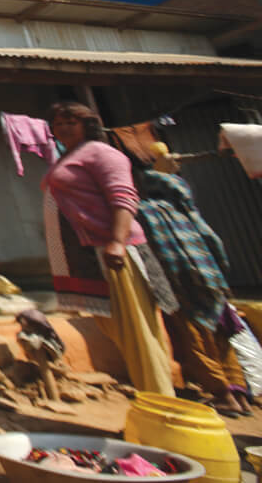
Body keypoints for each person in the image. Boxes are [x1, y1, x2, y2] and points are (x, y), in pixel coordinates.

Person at [41, 101, 175, 396]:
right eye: (58, 123)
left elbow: (123, 197)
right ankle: (149, 395)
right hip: (89, 253)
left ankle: (162, 401)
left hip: (113, 252)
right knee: (115, 328)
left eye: (70, 123)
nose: (62, 128)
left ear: (86, 125)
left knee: (137, 331)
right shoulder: (70, 156)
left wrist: (117, 241)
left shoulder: (102, 153)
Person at [135, 155, 251, 415]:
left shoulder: (144, 211)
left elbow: (149, 253)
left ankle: (222, 394)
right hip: (210, 278)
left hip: (178, 284)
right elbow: (213, 241)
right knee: (221, 336)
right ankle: (239, 395)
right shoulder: (183, 210)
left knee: (193, 339)